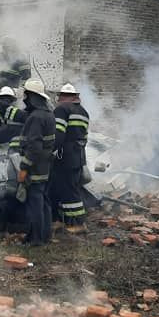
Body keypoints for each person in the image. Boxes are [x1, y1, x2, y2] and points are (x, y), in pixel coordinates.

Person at [17, 79, 56, 246]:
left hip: (36, 166)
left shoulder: (36, 117)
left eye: (26, 95)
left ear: (32, 97)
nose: (24, 99)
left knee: (35, 202)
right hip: (46, 164)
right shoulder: (48, 115)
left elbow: (34, 147)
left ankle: (36, 239)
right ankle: (45, 235)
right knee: (44, 201)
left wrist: (24, 167)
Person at [49, 83, 89, 233]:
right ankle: (59, 221)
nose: (58, 99)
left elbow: (58, 134)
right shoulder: (84, 112)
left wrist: (49, 150)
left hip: (65, 158)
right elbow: (84, 138)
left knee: (69, 190)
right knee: (64, 188)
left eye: (60, 96)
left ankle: (77, 224)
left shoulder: (62, 109)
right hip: (78, 157)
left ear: (67, 97)